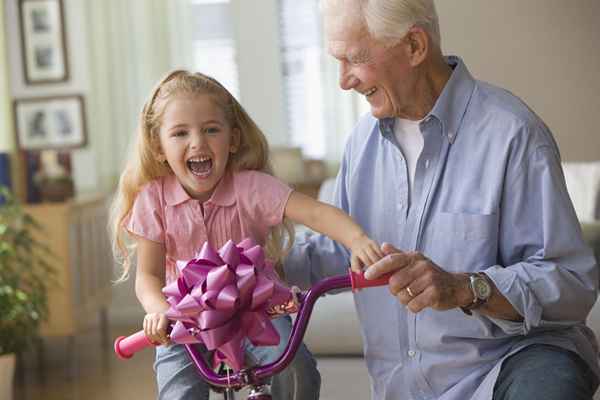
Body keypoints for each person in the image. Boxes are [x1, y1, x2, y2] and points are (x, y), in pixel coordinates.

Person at [283, 1, 600, 399]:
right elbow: (342, 249)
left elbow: (570, 282)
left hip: (510, 371)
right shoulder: (362, 143)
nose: (343, 81)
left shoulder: (513, 134)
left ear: (415, 46)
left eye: (355, 59)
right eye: (337, 61)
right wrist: (259, 265)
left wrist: (465, 288)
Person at [109, 70, 384, 400]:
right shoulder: (154, 199)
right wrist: (158, 312)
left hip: (256, 314)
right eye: (180, 133)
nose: (197, 142)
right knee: (178, 391)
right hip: (185, 322)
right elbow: (148, 276)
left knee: (297, 368)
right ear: (158, 147)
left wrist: (357, 239)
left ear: (233, 139)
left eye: (211, 129)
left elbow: (315, 213)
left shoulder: (251, 188)